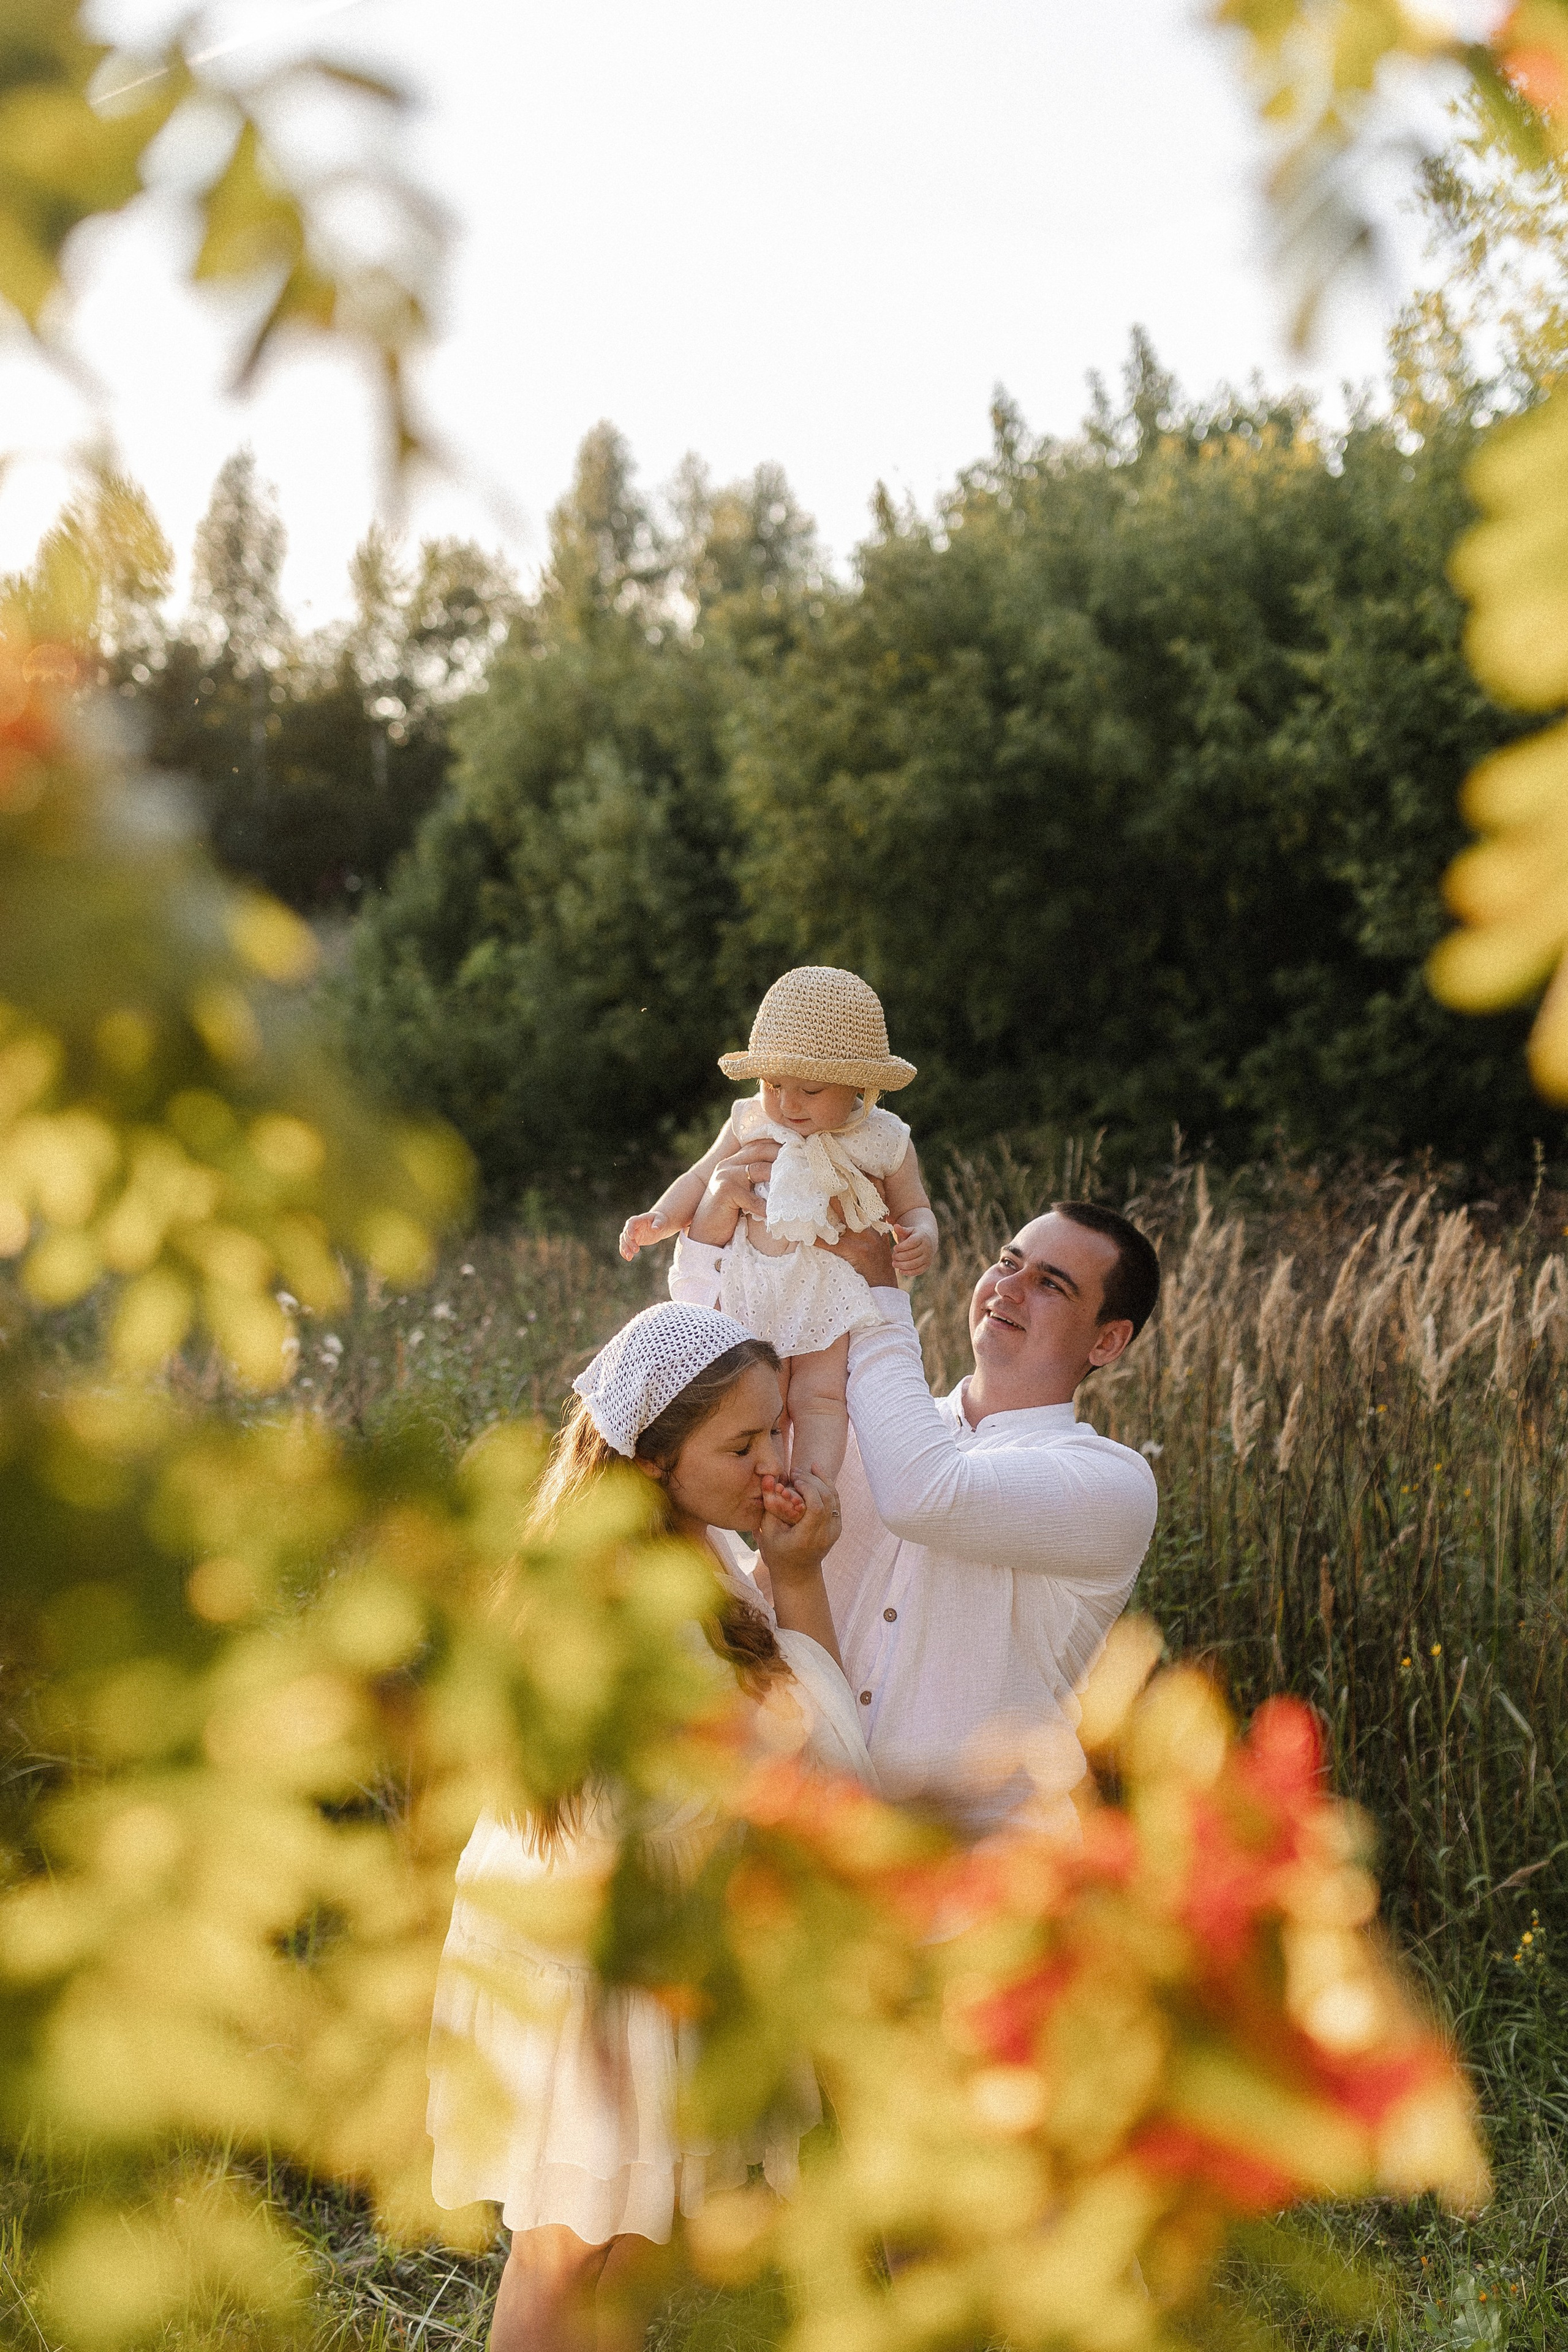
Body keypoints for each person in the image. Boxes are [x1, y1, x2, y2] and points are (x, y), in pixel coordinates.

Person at [426, 1303, 875, 2352]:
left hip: (662, 1947)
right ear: (657, 1459)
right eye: (743, 1443)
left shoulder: (699, 1553)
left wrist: (792, 1574)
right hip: (603, 1960)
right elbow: (809, 1765)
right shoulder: (629, 1592)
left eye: (776, 1431)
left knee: (619, 2249)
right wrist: (797, 1582)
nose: (774, 1460)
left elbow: (805, 1741)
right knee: (574, 2245)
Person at [671, 1185, 1161, 1842]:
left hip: (977, 1862)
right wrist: (726, 1229)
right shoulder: (861, 1425)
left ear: (1107, 1341)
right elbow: (700, 1416)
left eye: (1051, 1285)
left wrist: (878, 1293)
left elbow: (924, 1493)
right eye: (1008, 1262)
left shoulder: (1112, 1485)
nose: (1007, 1289)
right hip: (804, 1826)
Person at [618, 967, 940, 1483]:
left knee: (819, 1398)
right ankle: (759, 1489)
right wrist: (661, 1217)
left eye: (809, 1090)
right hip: (751, 1284)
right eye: (773, 1084)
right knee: (756, 1407)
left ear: (860, 1084)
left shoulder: (884, 1139)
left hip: (828, 1292)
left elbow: (915, 1208)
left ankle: (811, 1490)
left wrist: (923, 1235)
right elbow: (702, 1176)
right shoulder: (750, 1120)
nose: (788, 1104)